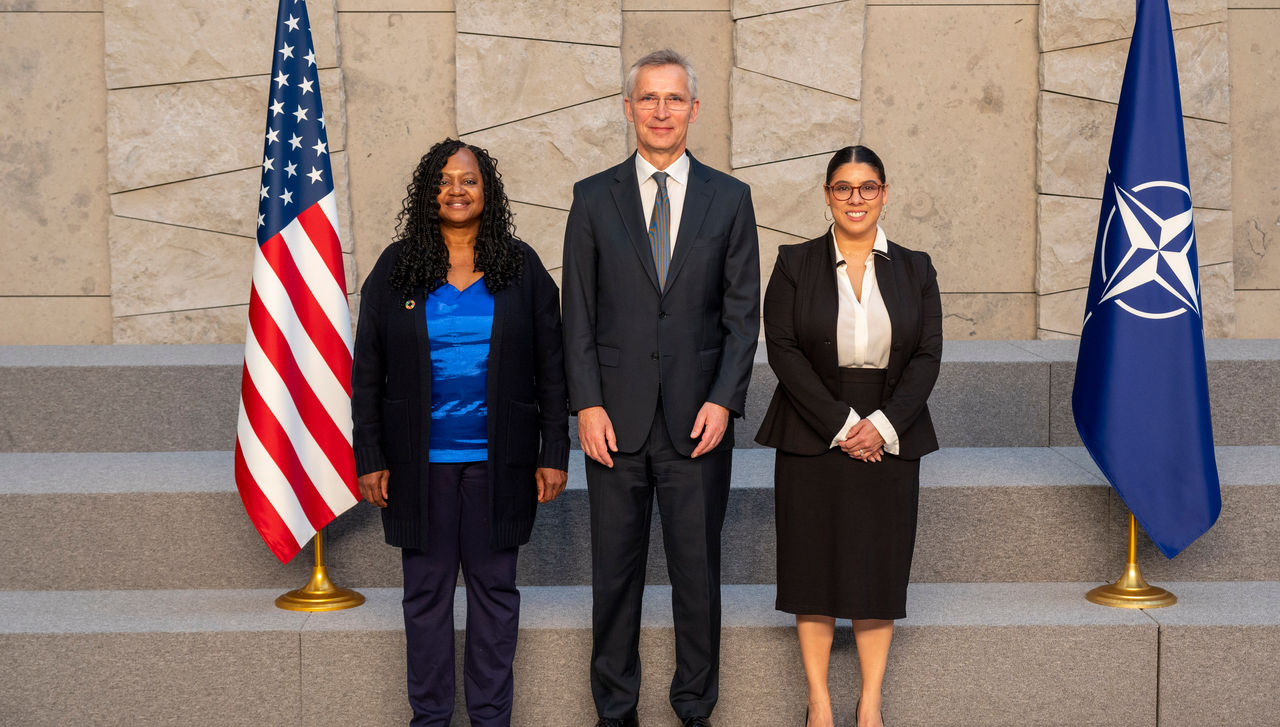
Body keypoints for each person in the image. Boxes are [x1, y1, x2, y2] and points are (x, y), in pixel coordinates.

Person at [561, 49, 760, 727]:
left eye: (674, 99)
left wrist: (723, 399)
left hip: (697, 423)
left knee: (697, 578)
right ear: (628, 108)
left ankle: (694, 708)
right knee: (614, 579)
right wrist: (586, 402)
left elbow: (741, 316)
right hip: (612, 423)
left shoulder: (730, 200)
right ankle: (614, 711)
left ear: (694, 110)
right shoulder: (592, 198)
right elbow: (578, 315)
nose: (661, 111)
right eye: (649, 98)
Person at [351, 138, 570, 727]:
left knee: (495, 595)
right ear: (427, 192)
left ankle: (491, 719)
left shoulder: (521, 268)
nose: (456, 190)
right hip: (417, 466)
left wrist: (554, 452)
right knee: (425, 598)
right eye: (444, 180)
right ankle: (430, 718)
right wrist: (369, 455)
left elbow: (553, 367)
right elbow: (367, 368)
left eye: (468, 180)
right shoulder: (396, 269)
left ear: (487, 191)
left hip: (501, 465)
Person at [754, 145, 941, 727]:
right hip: (814, 431)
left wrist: (881, 427)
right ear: (827, 194)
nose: (855, 198)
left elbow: (928, 355)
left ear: (884, 192)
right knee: (812, 568)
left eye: (867, 187)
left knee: (876, 569)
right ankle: (819, 701)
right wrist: (841, 425)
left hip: (890, 430)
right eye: (843, 188)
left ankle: (870, 702)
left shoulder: (916, 266)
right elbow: (782, 350)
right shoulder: (793, 262)